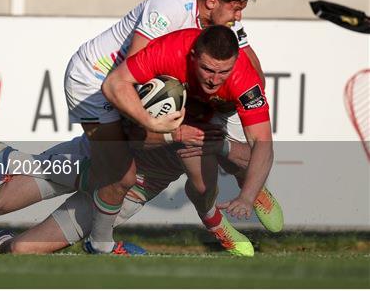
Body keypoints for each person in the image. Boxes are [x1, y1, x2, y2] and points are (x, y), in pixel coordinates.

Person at [0, 0, 269, 254]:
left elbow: (250, 66)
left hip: (123, 84)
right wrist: (159, 125)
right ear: (212, 2)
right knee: (121, 173)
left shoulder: (223, 22)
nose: (239, 16)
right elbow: (133, 68)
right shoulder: (168, 9)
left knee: (198, 145)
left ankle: (247, 192)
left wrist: (241, 94)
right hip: (95, 80)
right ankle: (93, 237)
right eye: (236, 8)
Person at [0, 133, 259, 257]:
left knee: (20, 254)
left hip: (116, 201)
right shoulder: (177, 111)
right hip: (84, 165)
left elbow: (237, 163)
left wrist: (250, 187)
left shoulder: (212, 143)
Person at [103, 25, 276, 241]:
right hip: (185, 110)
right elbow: (113, 83)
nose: (214, 79)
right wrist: (150, 123)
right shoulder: (169, 51)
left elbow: (263, 143)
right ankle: (214, 222)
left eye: (223, 71)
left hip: (224, 109)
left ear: (234, 61)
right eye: (208, 69)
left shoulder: (245, 79)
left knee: (242, 162)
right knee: (203, 186)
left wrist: (247, 198)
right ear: (193, 56)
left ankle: (253, 188)